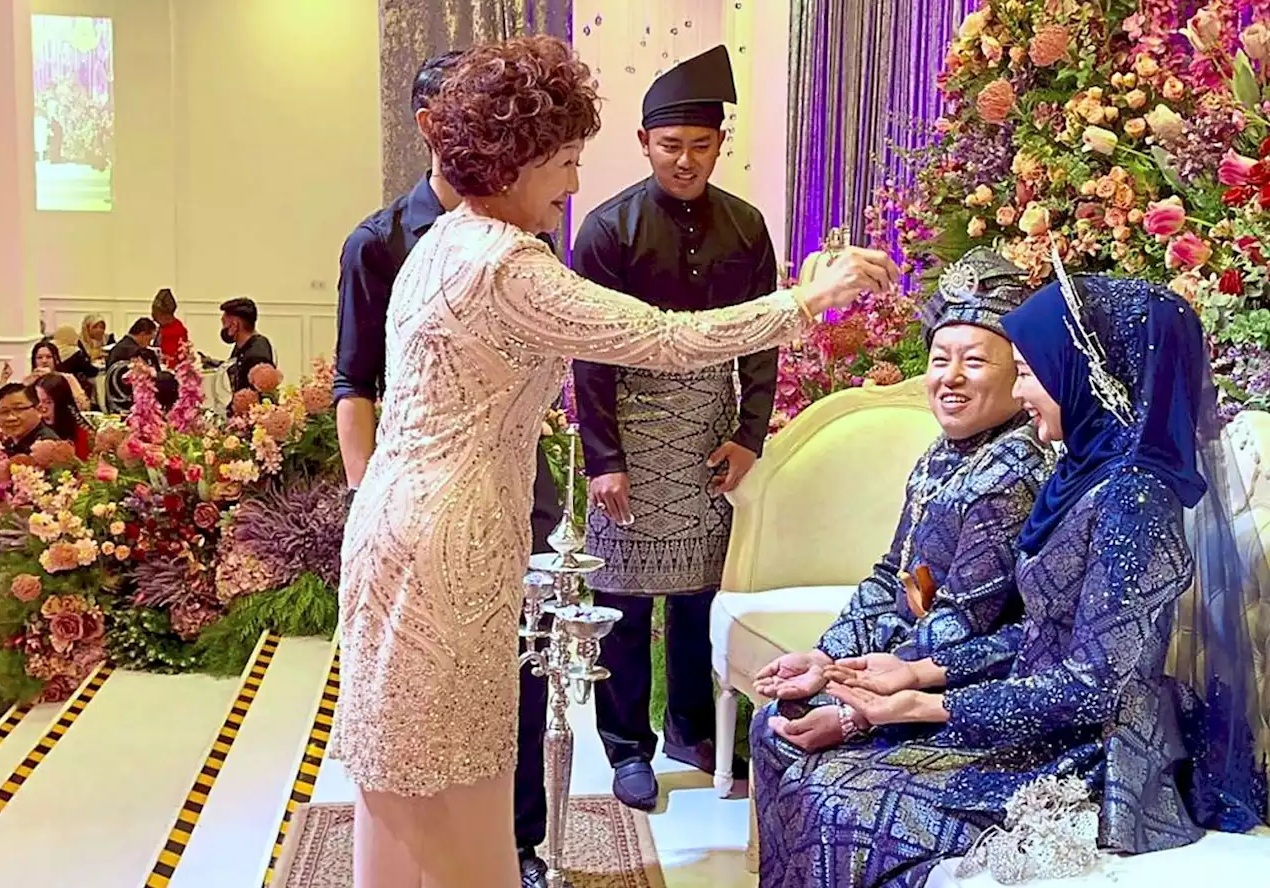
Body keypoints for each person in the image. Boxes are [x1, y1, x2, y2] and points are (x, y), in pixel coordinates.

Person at [329, 34, 898, 888]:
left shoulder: (445, 238)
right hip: (449, 539)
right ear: (515, 162)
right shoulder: (504, 264)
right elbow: (662, 338)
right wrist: (806, 300)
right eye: (562, 161)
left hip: (394, 521)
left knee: (413, 771)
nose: (571, 184)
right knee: (446, 772)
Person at [752, 263, 1268, 887]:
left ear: (1086, 374)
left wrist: (928, 706)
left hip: (1093, 751)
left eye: (1027, 373)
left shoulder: (1134, 501)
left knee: (844, 803)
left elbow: (1095, 685)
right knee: (817, 770)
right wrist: (913, 671)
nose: (1023, 397)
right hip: (1026, 711)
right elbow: (1033, 630)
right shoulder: (1080, 475)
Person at [333, 48, 564, 888]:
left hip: (508, 494)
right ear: (434, 125)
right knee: (417, 715)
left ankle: (518, 844)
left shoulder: (524, 232)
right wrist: (370, 502)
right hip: (425, 505)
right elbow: (354, 382)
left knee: (515, 682)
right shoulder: (384, 242)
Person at [569, 44, 779, 808]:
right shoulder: (606, 229)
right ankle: (628, 747)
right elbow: (588, 355)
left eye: (700, 146)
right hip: (627, 429)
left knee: (697, 595)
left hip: (706, 434)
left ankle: (692, 726)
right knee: (622, 603)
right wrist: (603, 459)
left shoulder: (747, 227)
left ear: (720, 145)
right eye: (670, 147)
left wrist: (750, 433)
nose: (685, 161)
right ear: (644, 144)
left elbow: (762, 336)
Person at [752, 249, 1055, 750]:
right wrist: (827, 657)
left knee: (786, 740)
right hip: (904, 664)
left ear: (1018, 374)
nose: (949, 377)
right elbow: (891, 573)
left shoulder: (1011, 469)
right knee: (780, 719)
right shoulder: (943, 453)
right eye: (940, 360)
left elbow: (966, 620)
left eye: (974, 361)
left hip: (970, 683)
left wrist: (855, 699)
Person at [219, 298, 274, 397]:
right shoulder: (242, 346)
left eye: (224, 323)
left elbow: (255, 397)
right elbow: (233, 364)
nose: (223, 328)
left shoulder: (257, 354)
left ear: (234, 325)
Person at [105, 319, 161, 413]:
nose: (149, 344)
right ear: (142, 334)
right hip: (133, 400)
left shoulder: (117, 348)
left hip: (114, 398)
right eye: (149, 339)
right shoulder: (138, 352)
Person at [32, 373, 92, 459]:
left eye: (48, 402)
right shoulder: (33, 428)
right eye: (38, 401)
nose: (41, 407)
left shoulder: (81, 432)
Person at [0, 383, 60, 458]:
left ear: (38, 410)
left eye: (19, 409)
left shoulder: (48, 446)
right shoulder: (7, 444)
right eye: (4, 412)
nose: (11, 418)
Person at [25, 339, 90, 411]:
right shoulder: (29, 381)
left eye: (49, 357)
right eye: (39, 357)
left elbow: (84, 406)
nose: (44, 361)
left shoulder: (67, 378)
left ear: (56, 359)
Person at [152, 288, 190, 367]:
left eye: (156, 314)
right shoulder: (162, 327)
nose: (154, 318)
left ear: (165, 315)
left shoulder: (177, 330)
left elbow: (176, 358)